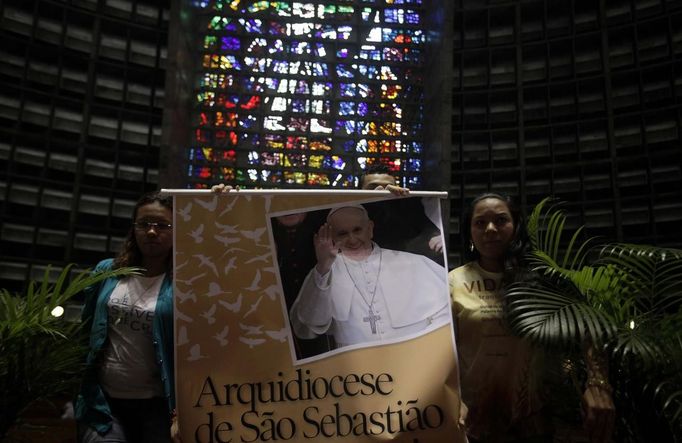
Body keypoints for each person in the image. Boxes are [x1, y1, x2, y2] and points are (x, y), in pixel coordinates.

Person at [449, 192, 615, 443]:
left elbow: (590, 325)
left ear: (516, 226)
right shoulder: (453, 282)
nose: (491, 229)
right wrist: (450, 398)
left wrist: (598, 382)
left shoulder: (543, 278)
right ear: (469, 232)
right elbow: (440, 350)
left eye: (501, 220)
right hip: (473, 421)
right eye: (480, 223)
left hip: (537, 422)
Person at [75, 191, 176, 443]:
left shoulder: (185, 281)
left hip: (160, 406)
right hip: (104, 402)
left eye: (163, 225)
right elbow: (86, 329)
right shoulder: (107, 271)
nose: (152, 232)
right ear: (134, 229)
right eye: (144, 224)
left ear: (178, 231)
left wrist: (221, 203)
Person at [289, 204, 450, 350]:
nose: (352, 239)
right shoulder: (323, 272)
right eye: (342, 233)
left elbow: (445, 313)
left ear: (370, 229)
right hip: (359, 373)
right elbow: (308, 326)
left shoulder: (414, 263)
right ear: (332, 236)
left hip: (416, 359)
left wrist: (425, 348)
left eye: (357, 230)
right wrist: (323, 267)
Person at [359, 165, 444, 262]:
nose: (381, 191)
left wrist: (439, 238)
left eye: (387, 188)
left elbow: (430, 231)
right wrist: (375, 202)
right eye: (372, 187)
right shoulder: (348, 211)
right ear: (360, 190)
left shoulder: (409, 209)